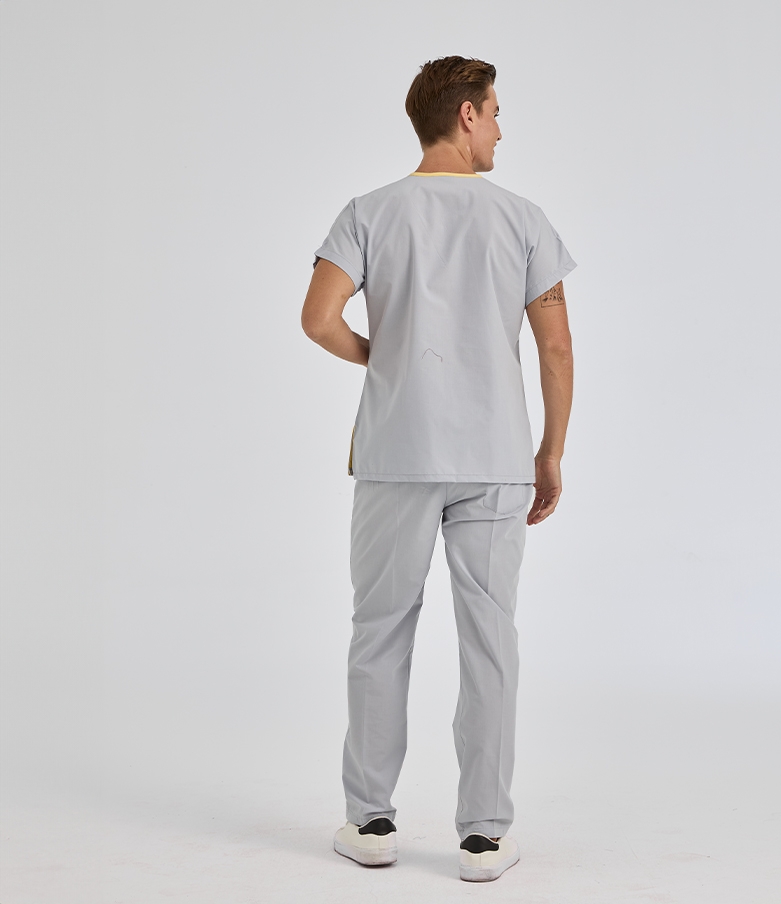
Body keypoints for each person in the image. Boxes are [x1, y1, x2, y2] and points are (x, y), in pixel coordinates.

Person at [301, 55, 576, 883]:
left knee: (380, 628)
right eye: (495, 112)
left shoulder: (369, 212)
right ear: (466, 115)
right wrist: (551, 451)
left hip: (397, 454)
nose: (500, 130)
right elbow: (556, 348)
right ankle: (484, 838)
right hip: (495, 458)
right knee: (490, 640)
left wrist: (384, 359)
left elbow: (318, 319)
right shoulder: (522, 220)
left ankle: (370, 823)